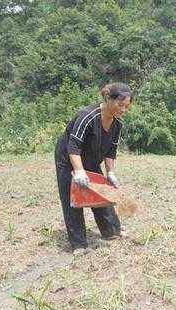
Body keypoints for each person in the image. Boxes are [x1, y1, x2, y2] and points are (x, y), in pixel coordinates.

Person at [54, 82, 132, 256]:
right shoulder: (87, 116)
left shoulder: (117, 123)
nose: (123, 109)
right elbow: (73, 146)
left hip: (91, 158)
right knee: (73, 197)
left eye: (127, 106)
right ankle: (79, 243)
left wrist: (110, 172)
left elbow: (111, 150)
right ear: (107, 99)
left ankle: (111, 232)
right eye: (120, 104)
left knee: (101, 193)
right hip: (68, 159)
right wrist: (79, 172)